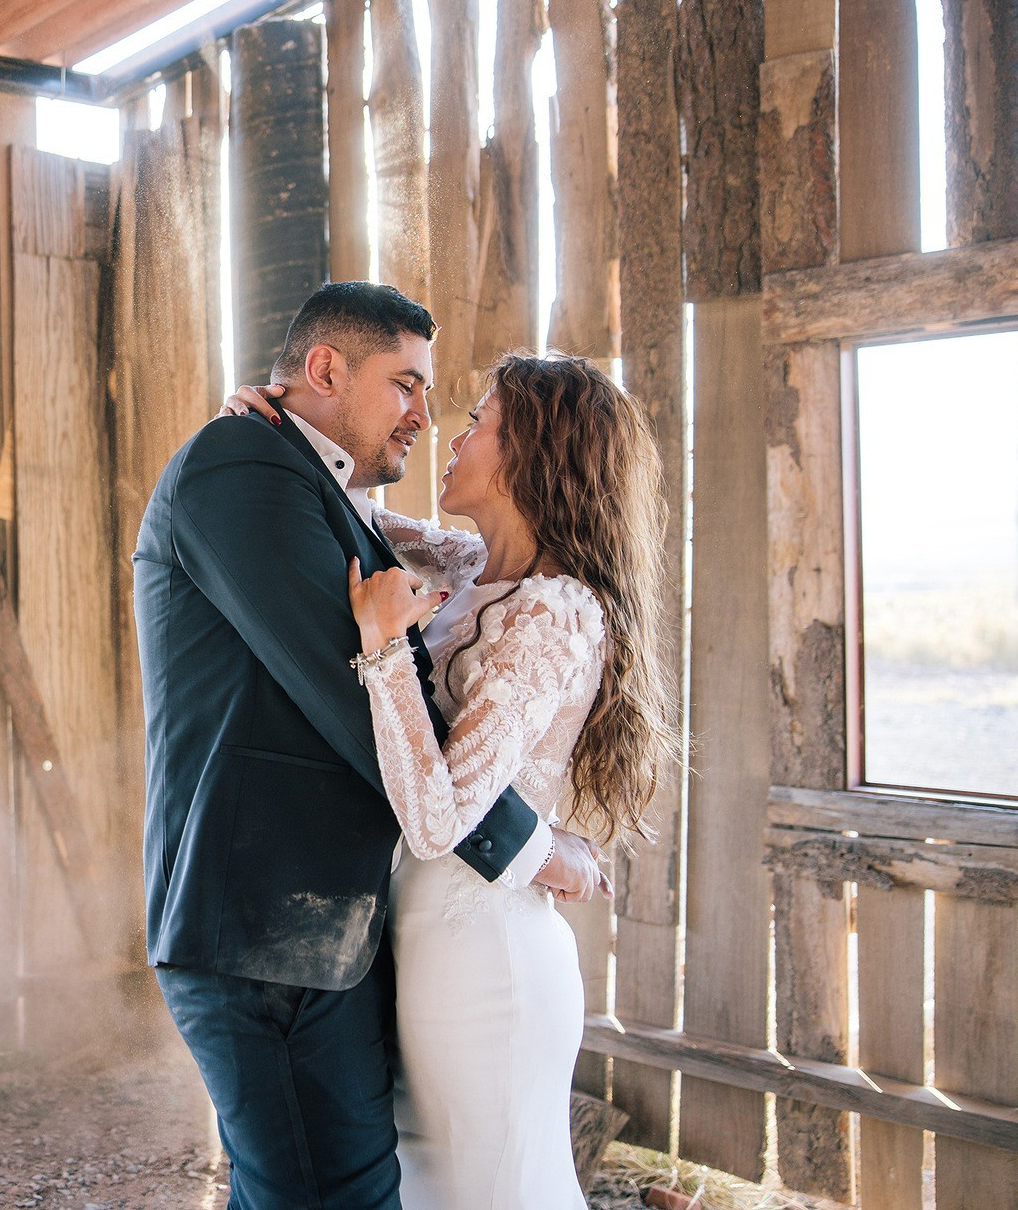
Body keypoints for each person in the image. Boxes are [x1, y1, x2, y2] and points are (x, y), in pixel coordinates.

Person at [133, 280, 608, 1210]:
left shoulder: (313, 488)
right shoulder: (245, 467)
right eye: (408, 386)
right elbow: (356, 703)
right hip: (269, 932)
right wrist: (534, 848)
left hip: (338, 933)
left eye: (456, 409)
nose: (428, 421)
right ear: (324, 371)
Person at [221, 351, 677, 1209]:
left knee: (489, 1191)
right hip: (421, 937)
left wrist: (385, 648)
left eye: (478, 423)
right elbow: (346, 509)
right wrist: (269, 430)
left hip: (483, 962)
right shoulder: (472, 566)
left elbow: (440, 820)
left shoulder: (556, 609)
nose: (451, 436)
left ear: (528, 456)